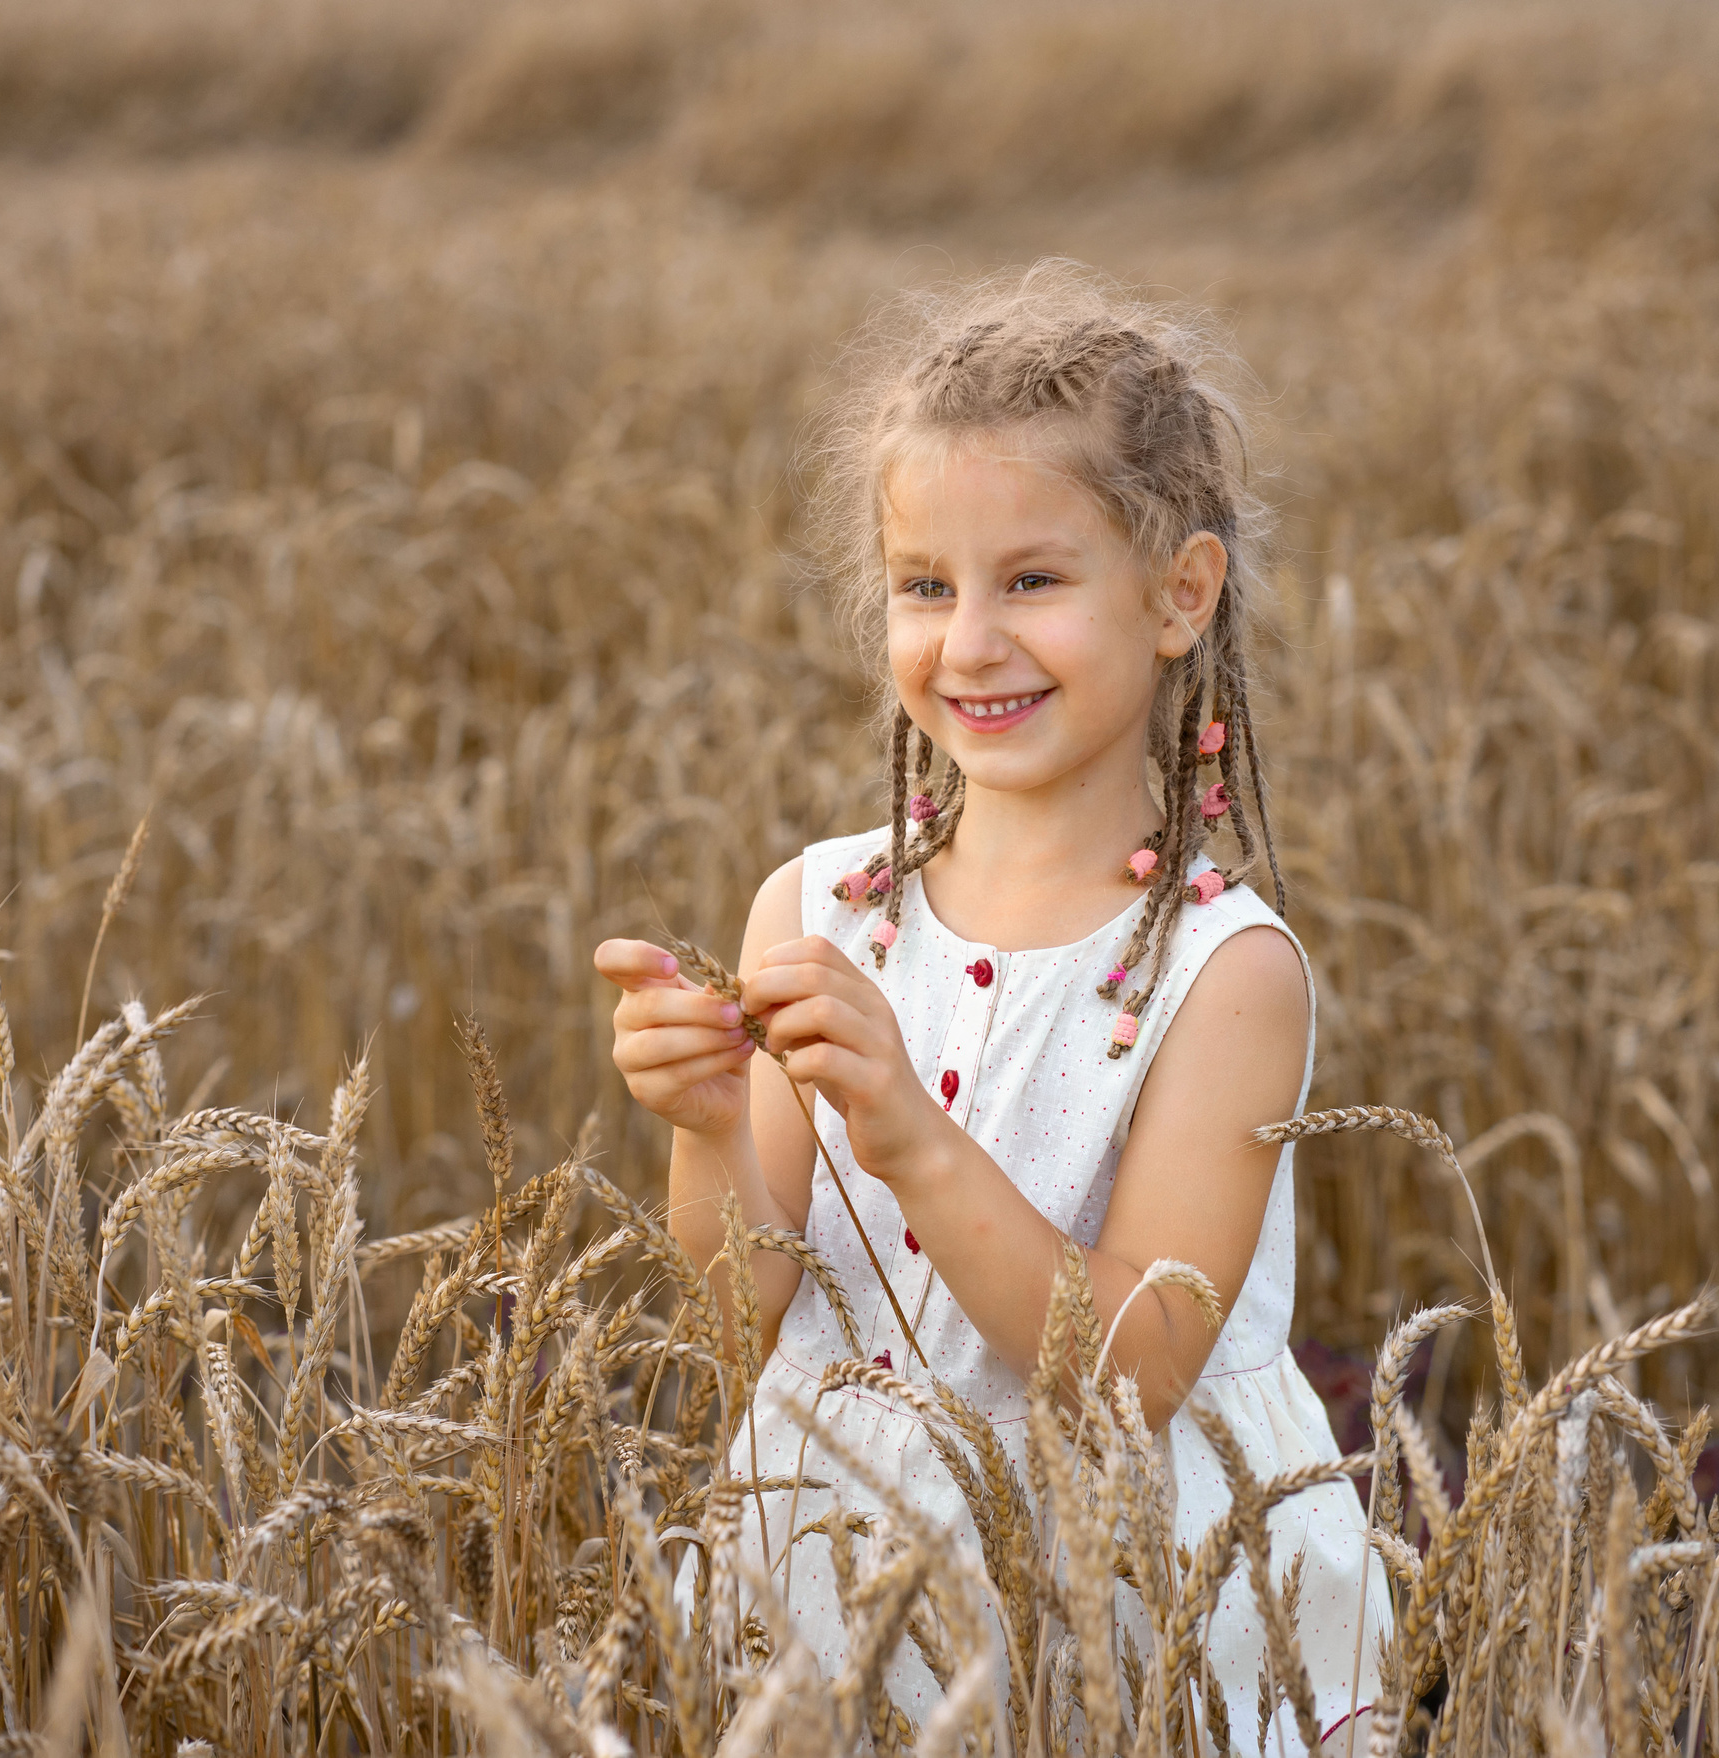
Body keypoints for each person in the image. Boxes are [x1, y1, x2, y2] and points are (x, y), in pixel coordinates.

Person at [594, 261, 1389, 1751]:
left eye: (1032, 579)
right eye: (925, 586)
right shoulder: (821, 909)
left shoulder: (1224, 971)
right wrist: (707, 1129)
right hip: (838, 1552)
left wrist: (910, 1132)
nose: (969, 641)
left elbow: (1129, 1374)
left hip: (1117, 1597)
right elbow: (735, 1317)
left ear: (1179, 595)